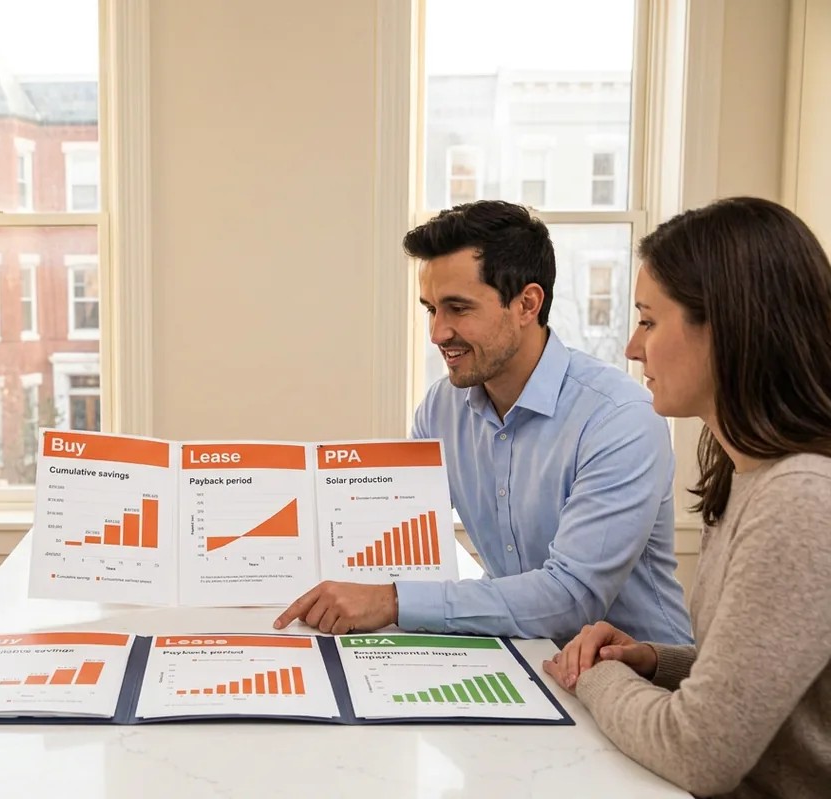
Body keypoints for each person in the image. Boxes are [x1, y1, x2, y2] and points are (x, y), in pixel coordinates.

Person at [275, 200, 692, 645]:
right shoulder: (441, 409)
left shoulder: (620, 418)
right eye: (431, 309)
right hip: (521, 659)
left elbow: (570, 599)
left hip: (640, 676)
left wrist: (392, 601)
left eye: (458, 308)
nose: (437, 333)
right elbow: (396, 542)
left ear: (527, 304)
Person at [543, 197, 831, 798]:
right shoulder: (747, 475)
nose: (632, 347)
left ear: (726, 326)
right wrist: (653, 661)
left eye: (649, 321)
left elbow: (700, 752)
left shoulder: (801, 499)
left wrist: (589, 676)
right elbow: (765, 685)